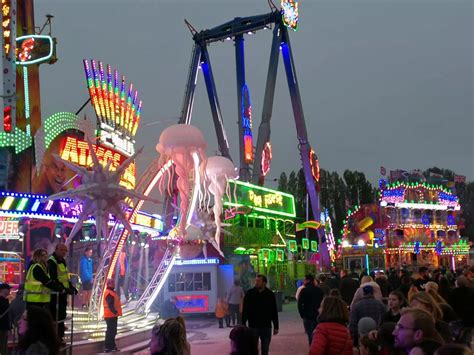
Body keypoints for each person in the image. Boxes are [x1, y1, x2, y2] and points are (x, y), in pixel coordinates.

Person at [48, 243, 77, 345]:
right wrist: (64, 288)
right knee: (56, 317)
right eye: (62, 250)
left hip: (62, 294)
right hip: (55, 294)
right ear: (56, 250)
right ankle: (55, 339)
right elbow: (53, 279)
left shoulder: (62, 261)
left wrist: (70, 287)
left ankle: (59, 338)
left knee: (61, 316)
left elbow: (64, 277)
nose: (64, 252)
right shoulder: (52, 261)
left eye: (65, 251)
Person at [241, 275, 279, 355]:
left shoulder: (270, 294)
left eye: (258, 281)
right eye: (256, 281)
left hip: (266, 326)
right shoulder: (250, 293)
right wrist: (243, 324)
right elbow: (245, 310)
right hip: (253, 326)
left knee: (265, 350)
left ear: (264, 283)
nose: (256, 283)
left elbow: (274, 311)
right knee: (253, 349)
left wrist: (276, 326)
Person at [297, 274, 324, 345]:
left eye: (305, 280)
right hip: (317, 315)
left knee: (310, 333)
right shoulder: (319, 290)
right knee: (317, 333)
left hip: (307, 315)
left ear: (308, 280)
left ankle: (312, 346)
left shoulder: (304, 291)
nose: (304, 281)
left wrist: (302, 314)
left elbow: (299, 304)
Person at [103, 278, 122, 353]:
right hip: (110, 315)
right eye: (112, 283)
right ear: (109, 284)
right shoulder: (109, 293)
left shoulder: (111, 292)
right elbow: (110, 304)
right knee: (111, 331)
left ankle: (111, 346)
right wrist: (114, 311)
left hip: (112, 315)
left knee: (112, 331)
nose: (114, 284)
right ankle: (109, 347)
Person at [0, 283, 11, 355]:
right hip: (2, 327)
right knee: (2, 345)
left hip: (4, 326)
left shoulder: (5, 300)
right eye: (8, 289)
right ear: (2, 290)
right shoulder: (2, 301)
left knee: (3, 345)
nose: (9, 290)